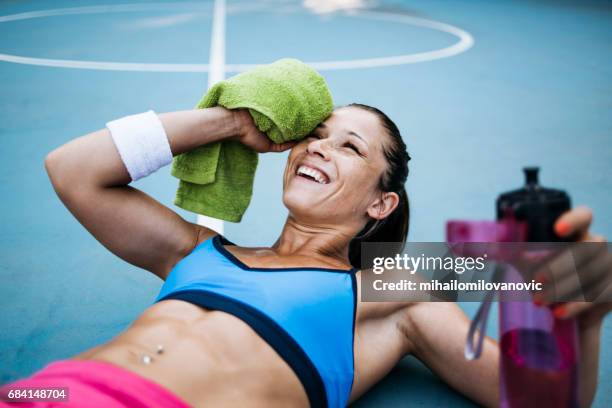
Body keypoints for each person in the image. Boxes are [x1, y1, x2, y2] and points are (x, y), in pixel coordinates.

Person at [5, 104, 610, 407]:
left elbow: (546, 393)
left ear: (381, 202)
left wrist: (580, 312)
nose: (318, 147)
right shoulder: (197, 253)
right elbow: (73, 170)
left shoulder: (384, 289)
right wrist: (232, 121)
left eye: (349, 147)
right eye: (315, 135)